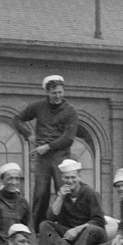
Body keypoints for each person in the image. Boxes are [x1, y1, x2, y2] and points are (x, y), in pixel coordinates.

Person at [15, 74, 79, 227]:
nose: (58, 96)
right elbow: (17, 119)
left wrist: (48, 147)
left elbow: (68, 138)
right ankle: (37, 231)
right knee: (40, 194)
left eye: (60, 92)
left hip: (60, 157)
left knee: (63, 191)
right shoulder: (38, 106)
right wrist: (28, 135)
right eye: (54, 93)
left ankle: (66, 228)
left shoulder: (70, 111)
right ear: (47, 92)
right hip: (43, 159)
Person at [38, 157, 107, 245]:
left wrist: (77, 229)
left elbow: (99, 220)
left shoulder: (90, 193)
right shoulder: (63, 194)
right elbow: (51, 217)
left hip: (91, 234)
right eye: (66, 178)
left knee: (90, 229)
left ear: (79, 177)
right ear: (62, 178)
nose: (70, 181)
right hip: (69, 234)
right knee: (45, 225)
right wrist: (60, 197)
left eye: (73, 177)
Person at [0, 162, 35, 245]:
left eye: (17, 179)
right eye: (9, 178)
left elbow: (30, 227)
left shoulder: (23, 202)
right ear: (2, 180)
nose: (13, 182)